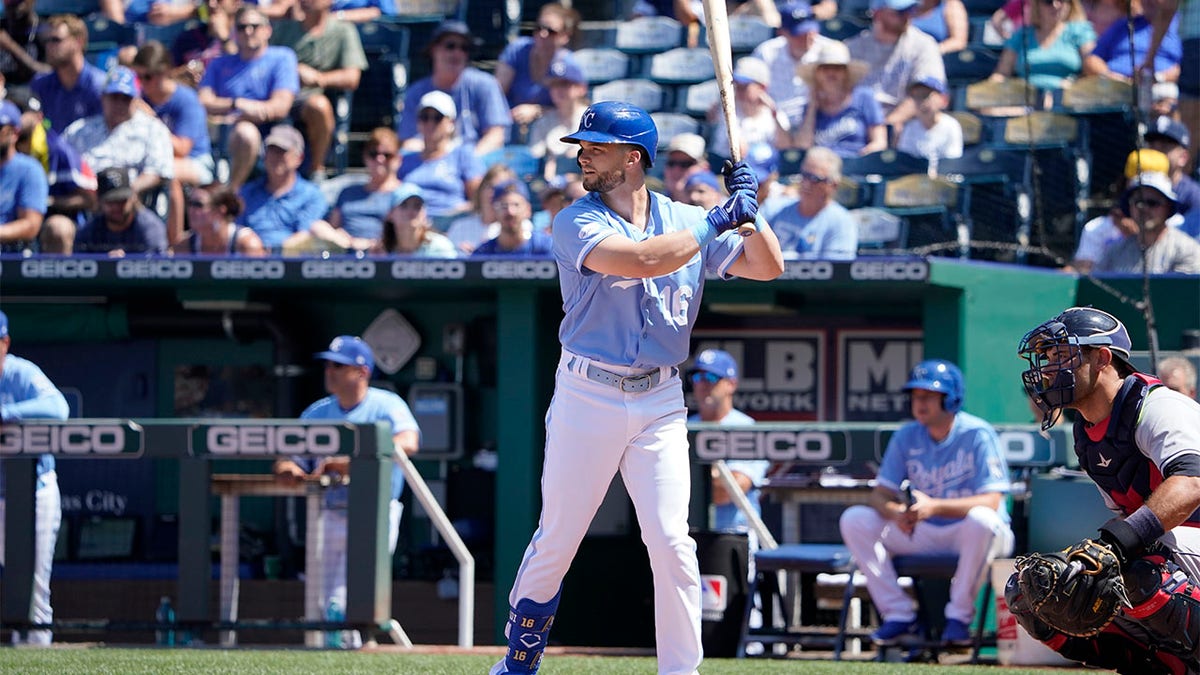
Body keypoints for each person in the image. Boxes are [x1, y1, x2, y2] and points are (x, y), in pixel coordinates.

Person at [488, 100, 784, 675]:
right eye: (582, 146)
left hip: (660, 398)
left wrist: (753, 213)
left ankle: (681, 671)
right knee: (559, 537)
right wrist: (717, 218)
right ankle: (519, 661)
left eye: (594, 147)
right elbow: (642, 260)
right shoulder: (576, 218)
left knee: (673, 542)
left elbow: (768, 266)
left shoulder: (681, 217)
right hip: (587, 392)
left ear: (632, 156)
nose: (582, 156)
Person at [1013, 306, 1200, 673]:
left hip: (1188, 540)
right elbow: (1130, 524)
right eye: (1048, 358)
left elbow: (1192, 481)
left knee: (1139, 570)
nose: (1050, 368)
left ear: (1102, 358)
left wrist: (1114, 545)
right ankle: (1169, 666)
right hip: (1184, 552)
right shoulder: (1087, 431)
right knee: (1035, 589)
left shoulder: (1157, 404)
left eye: (1062, 355)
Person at [839, 359, 1014, 646]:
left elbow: (993, 500)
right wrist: (896, 512)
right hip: (924, 530)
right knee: (856, 518)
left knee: (982, 518)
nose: (919, 403)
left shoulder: (976, 433)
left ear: (950, 399)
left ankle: (958, 617)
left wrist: (935, 506)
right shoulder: (907, 435)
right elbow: (878, 494)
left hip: (973, 534)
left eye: (929, 396)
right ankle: (898, 614)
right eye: (915, 396)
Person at [273, 335, 420, 649]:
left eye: (339, 366)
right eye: (328, 365)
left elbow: (409, 441)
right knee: (323, 592)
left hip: (374, 512)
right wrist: (289, 468)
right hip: (329, 510)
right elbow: (288, 456)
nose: (330, 371)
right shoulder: (318, 411)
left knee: (351, 589)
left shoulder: (385, 404)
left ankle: (351, 644)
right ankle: (337, 649)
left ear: (362, 371)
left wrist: (352, 462)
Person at [0, 309, 69, 646]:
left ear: (4, 342)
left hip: (33, 493)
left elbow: (59, 408)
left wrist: (5, 414)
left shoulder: (20, 373)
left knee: (32, 586)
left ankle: (33, 658)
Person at [198, 5, 299, 190]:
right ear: (234, 32)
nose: (248, 31)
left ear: (268, 30)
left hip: (273, 132)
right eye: (242, 27)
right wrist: (238, 104)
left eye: (254, 25)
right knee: (243, 132)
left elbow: (281, 106)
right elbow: (203, 101)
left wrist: (245, 112)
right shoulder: (220, 63)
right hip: (226, 133)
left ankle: (231, 193)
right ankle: (232, 193)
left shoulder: (282, 57)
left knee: (247, 132)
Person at [270, 0, 367, 180]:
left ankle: (316, 171)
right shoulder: (284, 30)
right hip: (278, 96)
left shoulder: (343, 30)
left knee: (319, 106)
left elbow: (352, 77)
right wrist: (292, 69)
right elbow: (266, 63)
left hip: (310, 98)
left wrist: (319, 78)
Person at [132, 41, 214, 245]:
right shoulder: (141, 99)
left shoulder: (186, 100)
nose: (142, 83)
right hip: (151, 161)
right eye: (138, 77)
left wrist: (151, 119)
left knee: (166, 170)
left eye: (148, 77)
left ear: (164, 73)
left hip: (196, 162)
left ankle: (174, 244)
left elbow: (182, 149)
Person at [61, 65, 175, 205]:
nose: (119, 104)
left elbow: (158, 172)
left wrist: (122, 193)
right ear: (103, 97)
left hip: (132, 204)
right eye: (114, 97)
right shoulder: (78, 130)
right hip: (86, 203)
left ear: (136, 100)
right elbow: (61, 163)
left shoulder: (154, 130)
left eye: (126, 98)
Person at [396, 21, 511, 157]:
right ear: (434, 49)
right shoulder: (416, 92)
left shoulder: (485, 84)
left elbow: (496, 136)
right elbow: (408, 143)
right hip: (431, 164)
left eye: (464, 48)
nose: (457, 53)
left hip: (475, 165)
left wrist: (466, 164)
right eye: (450, 46)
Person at [688, 349, 766, 537]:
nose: (703, 383)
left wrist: (691, 479)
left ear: (731, 384)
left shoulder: (746, 427)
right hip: (688, 534)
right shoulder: (682, 426)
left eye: (711, 377)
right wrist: (714, 475)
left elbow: (727, 492)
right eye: (697, 377)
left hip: (735, 535)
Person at [1069, 148, 1179, 273]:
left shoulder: (1178, 226)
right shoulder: (1097, 228)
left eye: (1153, 201)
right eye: (1139, 183)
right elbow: (1083, 274)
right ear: (1127, 183)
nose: (1145, 205)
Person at [845, 0, 946, 132]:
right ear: (877, 14)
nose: (907, 16)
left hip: (902, 125)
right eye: (900, 12)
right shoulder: (852, 48)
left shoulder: (924, 45)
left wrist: (887, 125)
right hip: (857, 124)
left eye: (910, 10)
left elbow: (923, 94)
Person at [397, 91, 484, 226]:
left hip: (453, 226)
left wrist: (460, 212)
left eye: (437, 118)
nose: (430, 123)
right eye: (425, 117)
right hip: (411, 228)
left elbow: (479, 199)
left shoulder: (463, 155)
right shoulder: (405, 160)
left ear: (451, 123)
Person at [237, 124, 327, 253]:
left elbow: (306, 234)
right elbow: (237, 230)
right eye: (271, 150)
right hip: (249, 261)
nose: (275, 157)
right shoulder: (246, 192)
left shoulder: (312, 195)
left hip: (293, 264)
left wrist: (273, 253)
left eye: (282, 151)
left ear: (299, 158)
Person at [793, 41, 887, 158]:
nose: (831, 73)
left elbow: (880, 142)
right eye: (825, 68)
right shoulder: (810, 108)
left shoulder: (864, 97)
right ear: (816, 74)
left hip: (858, 167)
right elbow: (803, 147)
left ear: (846, 73)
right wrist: (812, 107)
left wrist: (862, 160)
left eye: (837, 68)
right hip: (822, 170)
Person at [1093, 171, 1200, 274]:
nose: (1144, 208)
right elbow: (1096, 287)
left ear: (1168, 207)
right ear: (1130, 207)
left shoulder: (1187, 250)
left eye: (1152, 203)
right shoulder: (1115, 252)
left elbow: (1182, 291)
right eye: (1138, 202)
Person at [751, 0, 835, 130]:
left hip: (818, 122)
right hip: (774, 124)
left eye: (810, 32)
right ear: (783, 33)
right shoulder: (767, 52)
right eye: (799, 35)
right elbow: (750, 87)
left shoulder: (829, 51)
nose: (807, 39)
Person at [762, 147, 859, 259]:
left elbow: (836, 269)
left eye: (815, 179)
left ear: (833, 185)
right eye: (805, 175)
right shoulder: (773, 208)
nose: (807, 184)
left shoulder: (842, 222)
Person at [494, 3, 580, 127]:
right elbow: (496, 92)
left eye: (551, 31)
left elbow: (573, 110)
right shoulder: (517, 50)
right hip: (508, 121)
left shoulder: (569, 65)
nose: (542, 34)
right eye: (539, 28)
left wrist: (537, 111)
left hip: (548, 128)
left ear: (565, 36)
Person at [325, 127, 404, 252]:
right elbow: (333, 227)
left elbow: (409, 235)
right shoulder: (347, 192)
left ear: (398, 159)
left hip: (386, 258)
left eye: (387, 155)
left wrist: (372, 244)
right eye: (373, 154)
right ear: (365, 157)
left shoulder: (405, 195)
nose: (380, 159)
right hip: (345, 256)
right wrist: (342, 239)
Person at [990, 0, 1096, 92]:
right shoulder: (1021, 34)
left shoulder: (1081, 31)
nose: (1055, 5)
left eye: (1061, 0)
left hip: (1067, 104)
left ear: (1070, 3)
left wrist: (1074, 87)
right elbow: (1002, 73)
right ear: (1037, 5)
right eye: (1048, 1)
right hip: (1024, 102)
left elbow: (1092, 69)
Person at [1145, 0, 1198, 176]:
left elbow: (1166, 8)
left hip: (1195, 45)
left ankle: (1183, 185)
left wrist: (1149, 59)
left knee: (1191, 124)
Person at [29, 14, 106, 133]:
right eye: (47, 41)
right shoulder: (41, 84)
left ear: (78, 42)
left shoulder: (99, 86)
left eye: (56, 40)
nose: (49, 46)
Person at [707, 56, 790, 160]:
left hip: (765, 169)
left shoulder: (775, 115)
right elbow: (739, 149)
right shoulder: (726, 109)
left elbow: (785, 147)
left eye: (745, 86)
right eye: (737, 84)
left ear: (762, 87)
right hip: (726, 165)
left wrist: (774, 113)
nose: (739, 89)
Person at [74, 167, 169, 255]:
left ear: (133, 198)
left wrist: (122, 265)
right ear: (100, 202)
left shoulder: (149, 228)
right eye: (110, 202)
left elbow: (156, 266)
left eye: (121, 201)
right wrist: (105, 264)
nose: (116, 207)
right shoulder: (89, 231)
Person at [1085, 0, 1181, 86]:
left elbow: (1185, 68)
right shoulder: (1124, 24)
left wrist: (1158, 78)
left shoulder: (1180, 25)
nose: (1149, 1)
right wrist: (1111, 77)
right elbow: (1092, 59)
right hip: (1115, 88)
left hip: (1160, 88)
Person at [526, 55, 588, 180]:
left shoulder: (591, 119)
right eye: (554, 85)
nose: (558, 90)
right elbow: (535, 157)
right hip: (551, 186)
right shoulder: (543, 122)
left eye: (564, 84)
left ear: (581, 88)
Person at [0, 100, 47, 254]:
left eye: (0, 129)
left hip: (12, 254)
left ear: (15, 133)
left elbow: (31, 225)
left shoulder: (29, 169)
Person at [172, 184, 266, 255]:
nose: (191, 210)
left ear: (220, 211)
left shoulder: (247, 245)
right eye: (190, 203)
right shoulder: (184, 246)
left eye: (198, 205)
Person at [894, 76, 963, 173]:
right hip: (915, 181)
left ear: (943, 100)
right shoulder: (910, 127)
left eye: (925, 96)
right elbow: (905, 160)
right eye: (915, 96)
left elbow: (952, 162)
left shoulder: (951, 125)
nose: (921, 102)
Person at [470, 180, 551, 256]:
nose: (510, 212)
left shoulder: (546, 247)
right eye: (504, 206)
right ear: (494, 210)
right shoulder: (483, 254)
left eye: (516, 205)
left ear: (528, 209)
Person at [371, 184, 456, 257]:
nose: (411, 211)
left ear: (425, 214)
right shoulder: (379, 252)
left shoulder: (440, 247)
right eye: (404, 205)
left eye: (417, 206)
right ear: (390, 214)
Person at [1144, 116, 1200, 215]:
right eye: (1152, 145)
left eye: (1164, 146)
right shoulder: (1135, 185)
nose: (1156, 151)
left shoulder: (1193, 196)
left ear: (1183, 157)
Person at [0, 0, 48, 99]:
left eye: (19, 1)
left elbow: (49, 73)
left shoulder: (45, 31)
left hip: (32, 93)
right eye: (10, 3)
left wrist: (11, 47)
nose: (15, 7)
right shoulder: (2, 28)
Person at [661, 132, 710, 204]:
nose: (676, 170)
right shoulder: (652, 205)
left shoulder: (721, 208)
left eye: (685, 164)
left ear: (705, 168)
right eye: (671, 163)